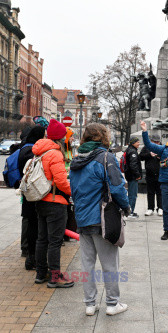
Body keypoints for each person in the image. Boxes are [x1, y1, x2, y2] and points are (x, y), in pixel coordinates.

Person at [70, 123, 131, 316]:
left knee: (87, 264)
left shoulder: (76, 160)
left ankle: (90, 304)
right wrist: (126, 207)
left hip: (82, 218)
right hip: (102, 218)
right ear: (103, 137)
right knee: (109, 264)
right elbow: (117, 187)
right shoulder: (106, 157)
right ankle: (112, 304)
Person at [32, 119, 73, 288]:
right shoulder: (55, 153)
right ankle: (55, 277)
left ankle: (41, 274)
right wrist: (73, 191)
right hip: (55, 202)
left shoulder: (39, 151)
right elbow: (61, 181)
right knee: (55, 241)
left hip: (40, 199)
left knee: (42, 239)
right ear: (60, 138)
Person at [18, 125, 46, 270]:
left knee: (30, 224)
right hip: (33, 193)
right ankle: (32, 258)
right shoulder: (32, 151)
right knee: (35, 226)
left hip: (27, 192)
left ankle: (30, 257)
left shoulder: (24, 149)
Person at [139, 134, 163, 216]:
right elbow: (140, 156)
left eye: (157, 142)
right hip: (150, 174)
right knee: (150, 192)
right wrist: (149, 155)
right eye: (154, 141)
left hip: (160, 174)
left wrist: (160, 157)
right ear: (151, 141)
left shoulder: (162, 148)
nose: (156, 143)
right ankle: (150, 208)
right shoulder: (146, 147)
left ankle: (160, 208)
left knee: (160, 192)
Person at [124, 136, 142, 219]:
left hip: (130, 175)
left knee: (131, 194)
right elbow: (133, 165)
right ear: (133, 143)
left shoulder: (130, 150)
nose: (139, 143)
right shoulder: (133, 152)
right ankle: (130, 212)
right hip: (132, 176)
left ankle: (129, 210)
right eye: (137, 142)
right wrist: (137, 175)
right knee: (132, 195)